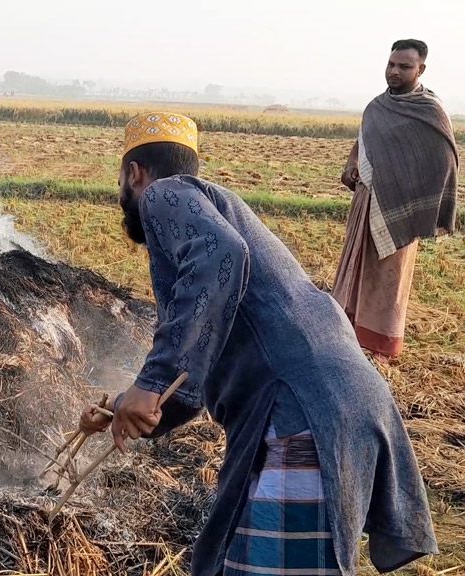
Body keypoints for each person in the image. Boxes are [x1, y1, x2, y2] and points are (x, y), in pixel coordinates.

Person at [79, 113, 436, 576]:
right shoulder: (212, 210)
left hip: (300, 412)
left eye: (122, 180)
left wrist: (152, 380)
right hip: (330, 404)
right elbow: (191, 380)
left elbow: (222, 256)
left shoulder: (163, 193)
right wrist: (128, 408)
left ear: (134, 172)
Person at [333, 39, 458, 361]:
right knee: (357, 265)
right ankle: (348, 330)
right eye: (391, 64)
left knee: (388, 277)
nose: (394, 71)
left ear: (421, 69)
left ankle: (380, 344)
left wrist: (409, 189)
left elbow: (444, 161)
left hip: (399, 208)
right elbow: (361, 145)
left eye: (404, 66)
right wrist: (350, 168)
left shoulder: (429, 110)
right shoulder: (377, 106)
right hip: (366, 203)